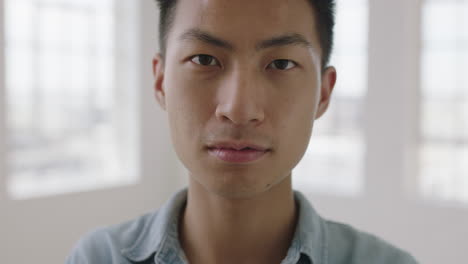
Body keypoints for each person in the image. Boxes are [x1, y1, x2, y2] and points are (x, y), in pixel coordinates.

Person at [66, 0, 419, 263]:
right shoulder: (98, 257)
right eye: (204, 59)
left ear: (323, 94)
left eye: (281, 63)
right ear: (161, 82)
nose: (239, 109)